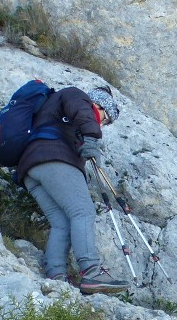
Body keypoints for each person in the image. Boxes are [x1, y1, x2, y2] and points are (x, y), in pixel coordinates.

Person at [15, 84, 129, 295]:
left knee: (61, 223)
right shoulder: (76, 96)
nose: (103, 124)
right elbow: (84, 112)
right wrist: (92, 137)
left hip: (31, 169)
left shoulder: (59, 113)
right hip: (54, 159)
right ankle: (91, 271)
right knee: (83, 211)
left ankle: (56, 275)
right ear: (98, 105)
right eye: (106, 118)